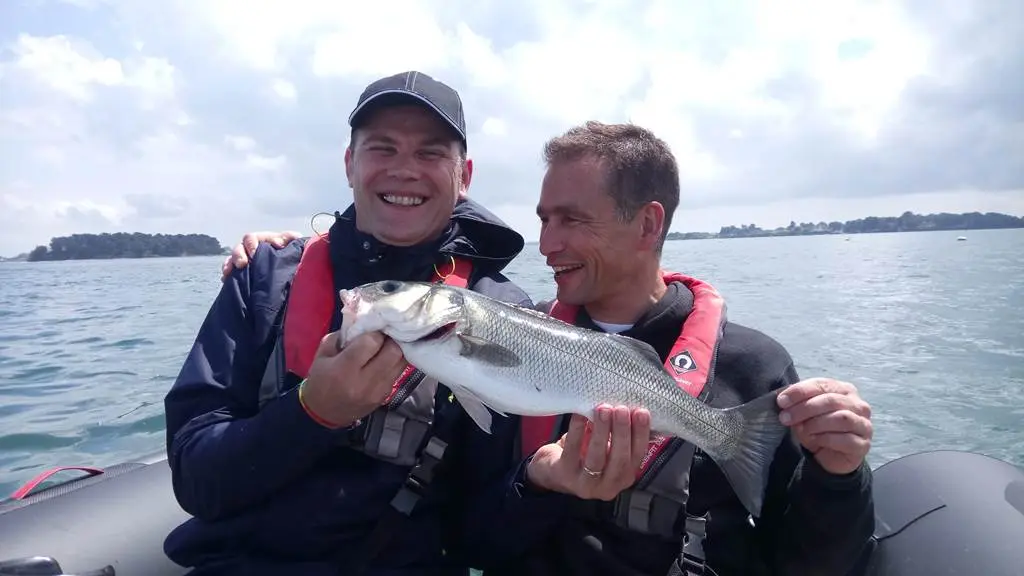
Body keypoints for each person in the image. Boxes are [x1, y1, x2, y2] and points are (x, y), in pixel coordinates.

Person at [225, 122, 876, 576]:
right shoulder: (505, 332)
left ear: (648, 223)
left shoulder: (751, 367)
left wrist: (838, 474)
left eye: (571, 219)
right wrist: (538, 482)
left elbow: (816, 563)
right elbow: (469, 535)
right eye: (542, 218)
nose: (546, 243)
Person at [161, 70, 535, 576]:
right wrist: (312, 412)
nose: (405, 170)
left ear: (463, 175)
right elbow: (194, 478)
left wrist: (545, 486)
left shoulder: (506, 313)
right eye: (382, 148)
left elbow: (484, 535)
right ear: (349, 163)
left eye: (430, 153)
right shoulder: (265, 276)